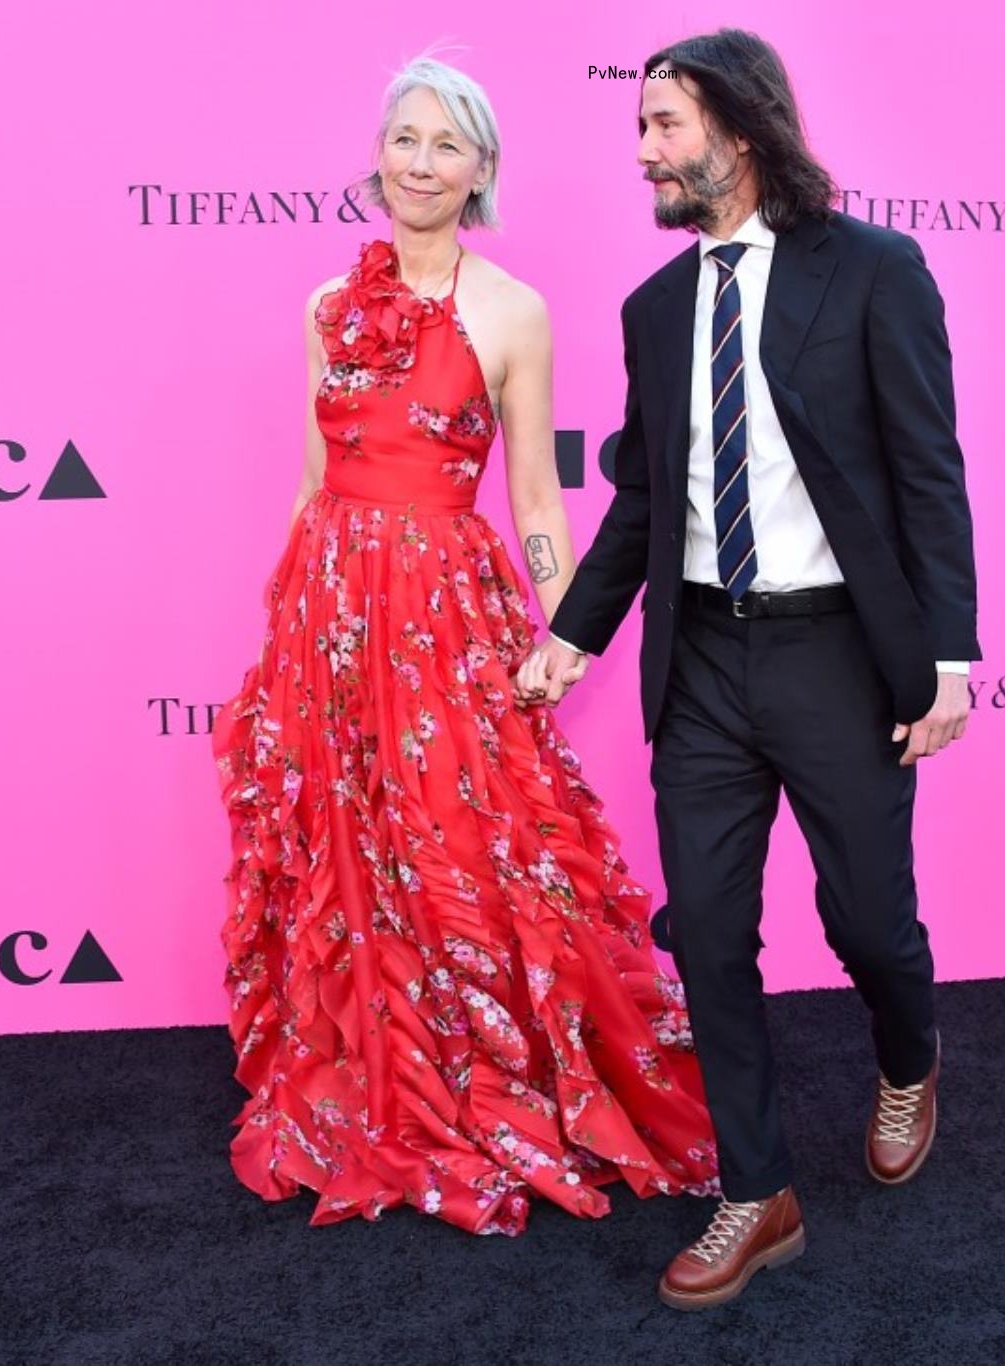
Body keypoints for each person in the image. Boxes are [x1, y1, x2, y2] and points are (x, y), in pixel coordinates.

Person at [210, 54, 717, 1238]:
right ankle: (372, 1071)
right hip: (330, 615)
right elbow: (309, 480)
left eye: (448, 144)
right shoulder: (324, 309)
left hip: (443, 610)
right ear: (377, 157)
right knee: (346, 842)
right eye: (405, 139)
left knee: (466, 835)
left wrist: (562, 628)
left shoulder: (512, 310)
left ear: (482, 168)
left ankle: (495, 1064)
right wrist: (288, 627)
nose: (421, 163)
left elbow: (536, 498)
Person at [515, 29, 980, 1308]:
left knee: (868, 918)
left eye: (665, 126)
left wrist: (946, 653)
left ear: (739, 125)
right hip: (705, 658)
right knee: (710, 932)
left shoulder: (877, 272)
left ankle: (908, 1050)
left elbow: (928, 471)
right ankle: (756, 1189)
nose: (647, 153)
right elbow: (640, 502)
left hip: (840, 649)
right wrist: (573, 633)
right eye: (642, 131)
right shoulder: (655, 312)